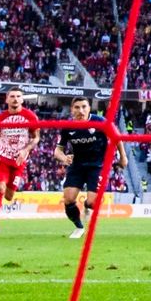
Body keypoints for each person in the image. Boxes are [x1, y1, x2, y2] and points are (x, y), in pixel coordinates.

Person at [52, 97, 108, 240]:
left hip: (97, 166)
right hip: (77, 166)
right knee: (68, 199)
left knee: (93, 203)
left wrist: (123, 157)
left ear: (89, 108)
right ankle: (79, 227)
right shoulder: (68, 127)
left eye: (84, 107)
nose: (80, 110)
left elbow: (116, 138)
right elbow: (57, 151)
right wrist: (64, 158)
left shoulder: (100, 122)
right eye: (77, 107)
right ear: (72, 110)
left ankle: (87, 206)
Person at [0, 89, 41, 235]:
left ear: (22, 99)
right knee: (0, 189)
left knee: (9, 196)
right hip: (2, 159)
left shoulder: (30, 116)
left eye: (18, 96)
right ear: (7, 100)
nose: (15, 99)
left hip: (18, 161)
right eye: (12, 97)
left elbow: (36, 137)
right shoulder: (0, 118)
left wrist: (26, 150)